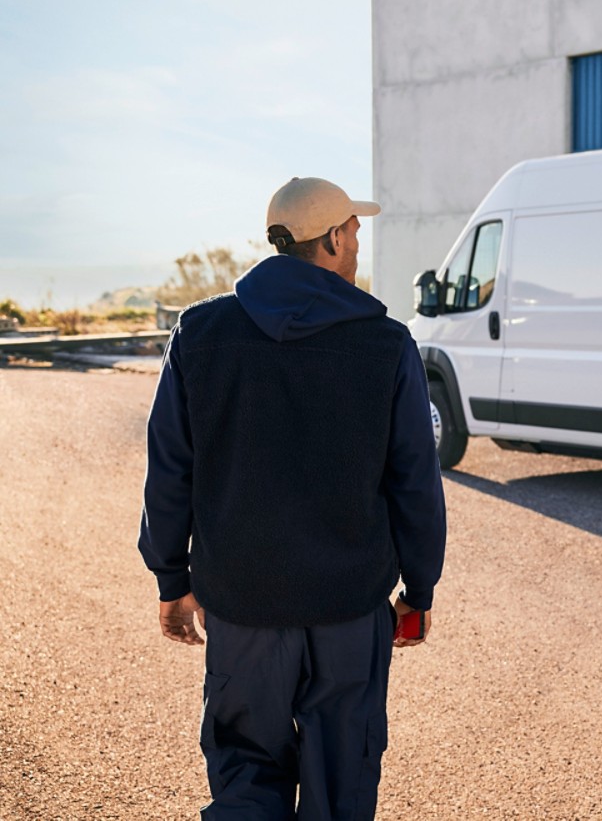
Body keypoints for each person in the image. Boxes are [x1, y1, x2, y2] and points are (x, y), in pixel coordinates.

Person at [138, 176, 447, 820]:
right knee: (342, 785)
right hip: (349, 610)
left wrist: (172, 580)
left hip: (242, 606)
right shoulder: (386, 344)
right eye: (355, 229)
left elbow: (170, 469)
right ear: (332, 238)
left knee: (245, 780)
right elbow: (414, 480)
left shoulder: (200, 333)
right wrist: (417, 591)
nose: (359, 240)